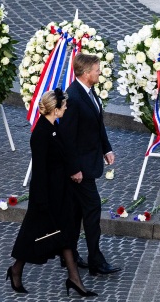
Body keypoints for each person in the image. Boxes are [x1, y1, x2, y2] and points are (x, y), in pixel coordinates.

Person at [8, 89, 96, 297]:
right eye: (63, 105)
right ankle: (16, 269)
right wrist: (41, 201)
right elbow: (39, 170)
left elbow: (64, 155)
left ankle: (74, 279)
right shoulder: (41, 133)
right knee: (33, 236)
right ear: (55, 110)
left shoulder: (53, 126)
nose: (66, 107)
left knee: (64, 234)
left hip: (60, 190)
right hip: (46, 195)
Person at [59, 52, 121, 276]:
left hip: (88, 162)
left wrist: (107, 148)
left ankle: (69, 255)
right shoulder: (73, 98)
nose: (100, 72)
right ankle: (96, 260)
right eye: (97, 70)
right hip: (80, 169)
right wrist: (73, 168)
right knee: (93, 209)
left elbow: (96, 122)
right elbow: (66, 137)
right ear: (86, 73)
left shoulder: (89, 91)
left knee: (75, 212)